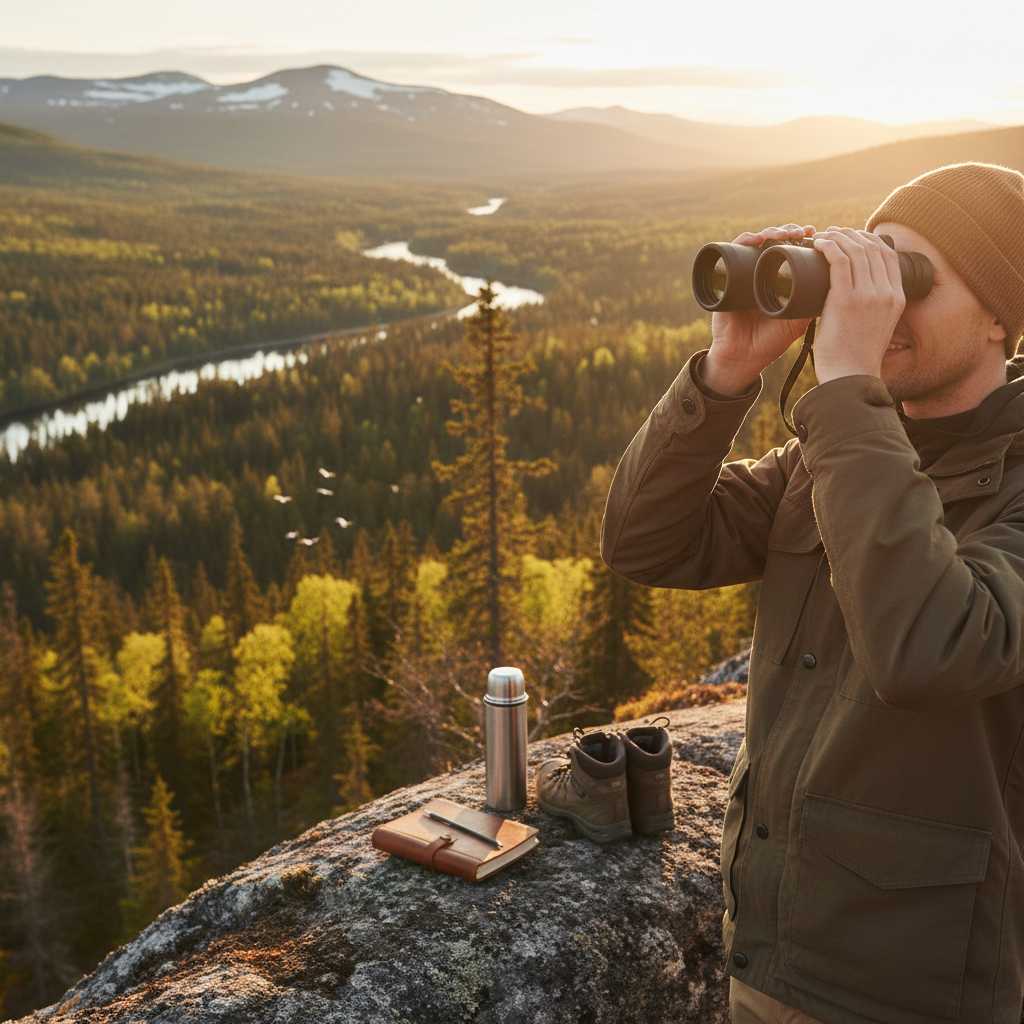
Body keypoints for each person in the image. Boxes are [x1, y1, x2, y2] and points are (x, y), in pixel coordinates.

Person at [600, 162, 1024, 1024]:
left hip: (918, 992)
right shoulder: (828, 459)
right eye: (870, 271)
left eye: (911, 280)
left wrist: (844, 397)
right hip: (768, 950)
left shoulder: (990, 482)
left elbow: (932, 647)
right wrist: (726, 371)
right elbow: (648, 539)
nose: (880, 307)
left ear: (1000, 320)